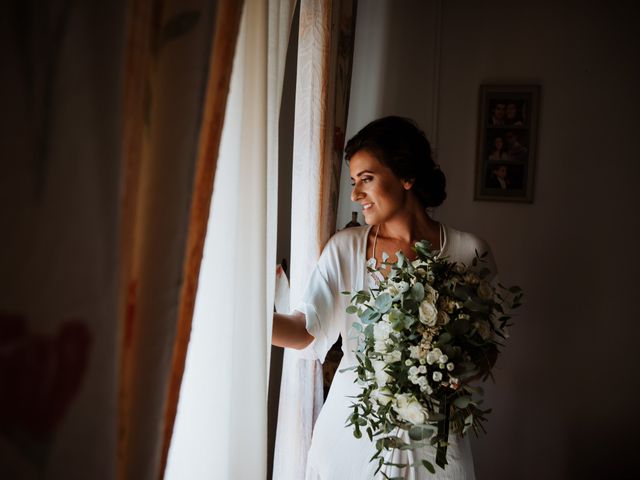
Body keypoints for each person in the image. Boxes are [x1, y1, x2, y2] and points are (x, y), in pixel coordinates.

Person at [272, 116, 497, 480]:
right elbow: (304, 330)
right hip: (353, 435)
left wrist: (455, 370)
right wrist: (243, 313)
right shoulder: (345, 249)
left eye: (367, 179)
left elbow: (487, 350)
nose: (355, 194)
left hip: (434, 443)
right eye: (353, 182)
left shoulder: (470, 253)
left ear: (406, 177)